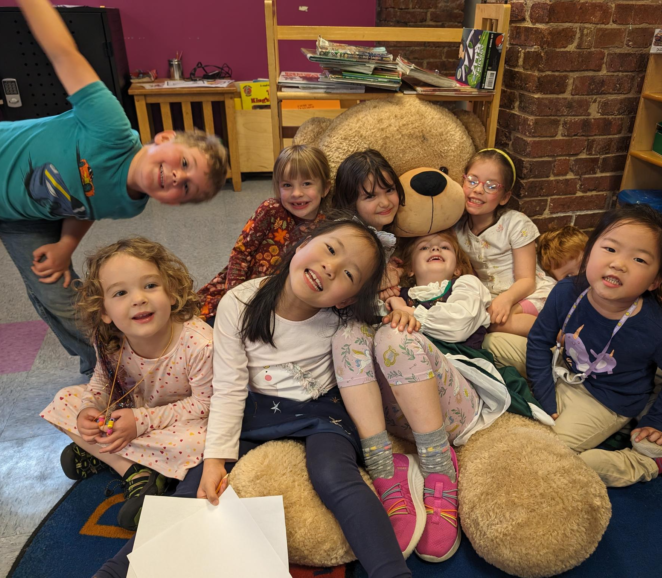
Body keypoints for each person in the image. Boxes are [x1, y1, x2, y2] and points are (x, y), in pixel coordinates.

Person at [0, 0, 228, 375]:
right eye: (185, 164)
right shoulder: (110, 128)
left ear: (174, 203)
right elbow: (64, 54)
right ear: (164, 137)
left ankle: (105, 370)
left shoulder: (132, 205)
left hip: (23, 217)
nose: (178, 178)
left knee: (62, 297)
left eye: (187, 189)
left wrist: (66, 246)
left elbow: (86, 207)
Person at [199, 218, 415, 578]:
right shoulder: (238, 302)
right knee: (199, 481)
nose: (330, 267)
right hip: (259, 411)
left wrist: (401, 307)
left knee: (334, 475)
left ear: (346, 298)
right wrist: (215, 458)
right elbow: (229, 386)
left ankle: (392, 572)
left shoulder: (344, 315)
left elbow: (386, 316)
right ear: (303, 243)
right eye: (330, 249)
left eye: (348, 274)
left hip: (321, 411)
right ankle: (118, 569)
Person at [333, 228, 551, 564]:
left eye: (444, 247)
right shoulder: (398, 294)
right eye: (425, 246)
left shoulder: (465, 285)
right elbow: (361, 313)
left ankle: (439, 468)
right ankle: (385, 466)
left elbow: (458, 325)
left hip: (454, 405)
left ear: (459, 265)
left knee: (395, 332)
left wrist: (406, 313)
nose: (435, 248)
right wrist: (393, 299)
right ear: (407, 267)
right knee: (348, 333)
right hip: (396, 415)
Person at [40, 237, 213, 530]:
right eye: (120, 292)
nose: (138, 298)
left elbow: (205, 405)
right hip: (129, 411)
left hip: (182, 419)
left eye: (150, 285)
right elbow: (101, 379)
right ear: (104, 311)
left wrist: (140, 421)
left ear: (172, 293)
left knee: (203, 443)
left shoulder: (200, 343)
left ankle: (107, 454)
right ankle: (134, 469)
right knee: (64, 399)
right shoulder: (109, 338)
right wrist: (89, 410)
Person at [526, 205, 662, 487]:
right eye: (609, 249)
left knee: (549, 455)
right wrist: (544, 395)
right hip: (564, 367)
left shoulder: (661, 327)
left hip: (607, 401)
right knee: (493, 342)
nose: (618, 263)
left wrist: (657, 423)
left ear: (656, 280)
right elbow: (538, 342)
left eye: (639, 259)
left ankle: (646, 463)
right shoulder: (566, 290)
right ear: (590, 252)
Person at [198, 144, 330, 321]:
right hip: (237, 294)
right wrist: (235, 298)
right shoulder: (271, 210)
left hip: (278, 306)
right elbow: (240, 254)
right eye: (287, 185)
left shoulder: (327, 227)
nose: (297, 193)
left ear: (325, 188)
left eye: (306, 184)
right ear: (278, 187)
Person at [455, 148, 555, 338]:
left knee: (493, 324)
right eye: (472, 180)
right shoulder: (458, 228)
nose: (477, 189)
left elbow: (527, 280)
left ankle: (561, 336)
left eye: (491, 186)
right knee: (477, 322)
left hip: (527, 294)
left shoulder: (516, 223)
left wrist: (506, 299)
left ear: (505, 197)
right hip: (491, 299)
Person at [330, 149, 405, 298]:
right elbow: (337, 285)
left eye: (389, 190)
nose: (385, 202)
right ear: (350, 202)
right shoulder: (348, 236)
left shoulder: (379, 231)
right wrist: (383, 281)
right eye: (370, 196)